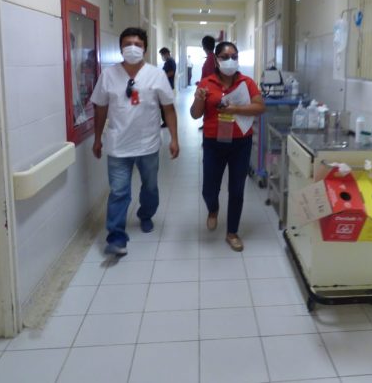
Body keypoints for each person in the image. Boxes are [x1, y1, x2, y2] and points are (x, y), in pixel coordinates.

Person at [91, 27, 179, 257]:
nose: (132, 48)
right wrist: (97, 139)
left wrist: (174, 138)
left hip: (148, 144)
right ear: (120, 48)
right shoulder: (108, 75)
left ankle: (145, 214)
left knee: (150, 187)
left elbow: (168, 108)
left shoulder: (156, 75)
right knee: (119, 191)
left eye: (137, 44)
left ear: (145, 49)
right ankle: (116, 236)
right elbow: (100, 109)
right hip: (118, 145)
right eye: (127, 44)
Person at [190, 41, 265, 252]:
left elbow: (260, 107)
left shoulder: (246, 82)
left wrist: (236, 109)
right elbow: (195, 114)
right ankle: (213, 209)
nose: (230, 60)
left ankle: (232, 232)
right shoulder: (206, 82)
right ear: (216, 60)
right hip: (213, 142)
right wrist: (199, 99)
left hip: (241, 142)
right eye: (224, 57)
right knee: (209, 188)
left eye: (234, 56)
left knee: (237, 189)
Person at [158, 47, 176, 127]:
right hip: (167, 85)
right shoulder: (169, 61)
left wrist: (163, 76)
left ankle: (166, 122)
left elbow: (171, 72)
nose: (162, 57)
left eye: (162, 55)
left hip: (167, 86)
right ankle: (166, 121)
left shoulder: (170, 61)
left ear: (166, 54)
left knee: (164, 105)